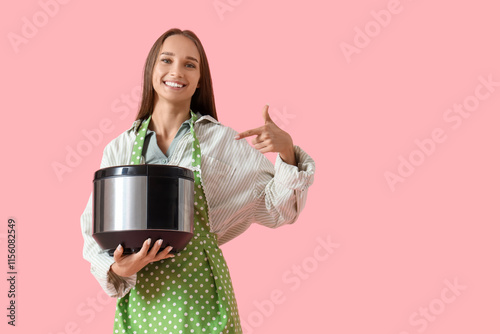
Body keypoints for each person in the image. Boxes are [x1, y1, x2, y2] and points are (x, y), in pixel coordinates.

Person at [80, 28, 315, 334]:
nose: (176, 71)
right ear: (152, 68)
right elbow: (93, 229)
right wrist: (116, 268)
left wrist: (286, 151)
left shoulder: (223, 142)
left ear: (200, 79)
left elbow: (278, 208)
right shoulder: (119, 149)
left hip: (203, 302)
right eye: (167, 60)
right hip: (141, 304)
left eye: (190, 64)